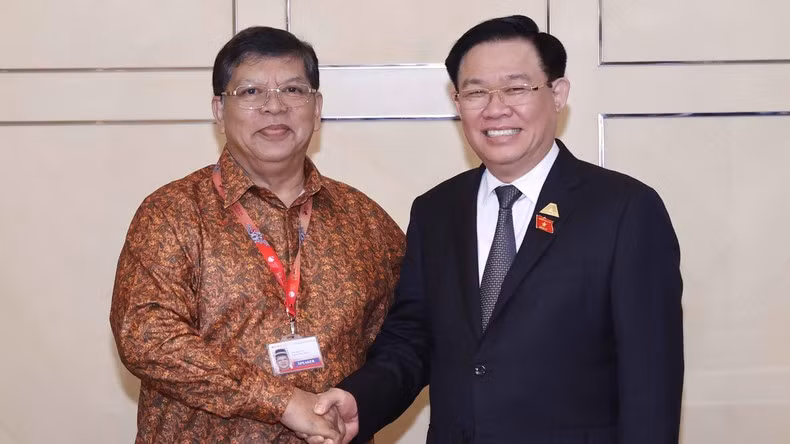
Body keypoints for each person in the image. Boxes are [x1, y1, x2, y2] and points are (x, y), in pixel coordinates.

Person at [312, 15, 684, 444]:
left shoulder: (624, 210)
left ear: (558, 94)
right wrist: (361, 400)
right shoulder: (436, 211)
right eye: (475, 92)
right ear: (457, 102)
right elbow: (413, 340)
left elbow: (650, 381)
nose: (495, 108)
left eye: (516, 88)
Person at [110, 26, 405, 443]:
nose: (274, 106)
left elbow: (406, 336)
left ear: (316, 107)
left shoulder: (365, 220)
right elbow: (145, 336)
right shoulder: (172, 213)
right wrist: (282, 402)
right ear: (219, 109)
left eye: (293, 90)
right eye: (250, 92)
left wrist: (363, 398)